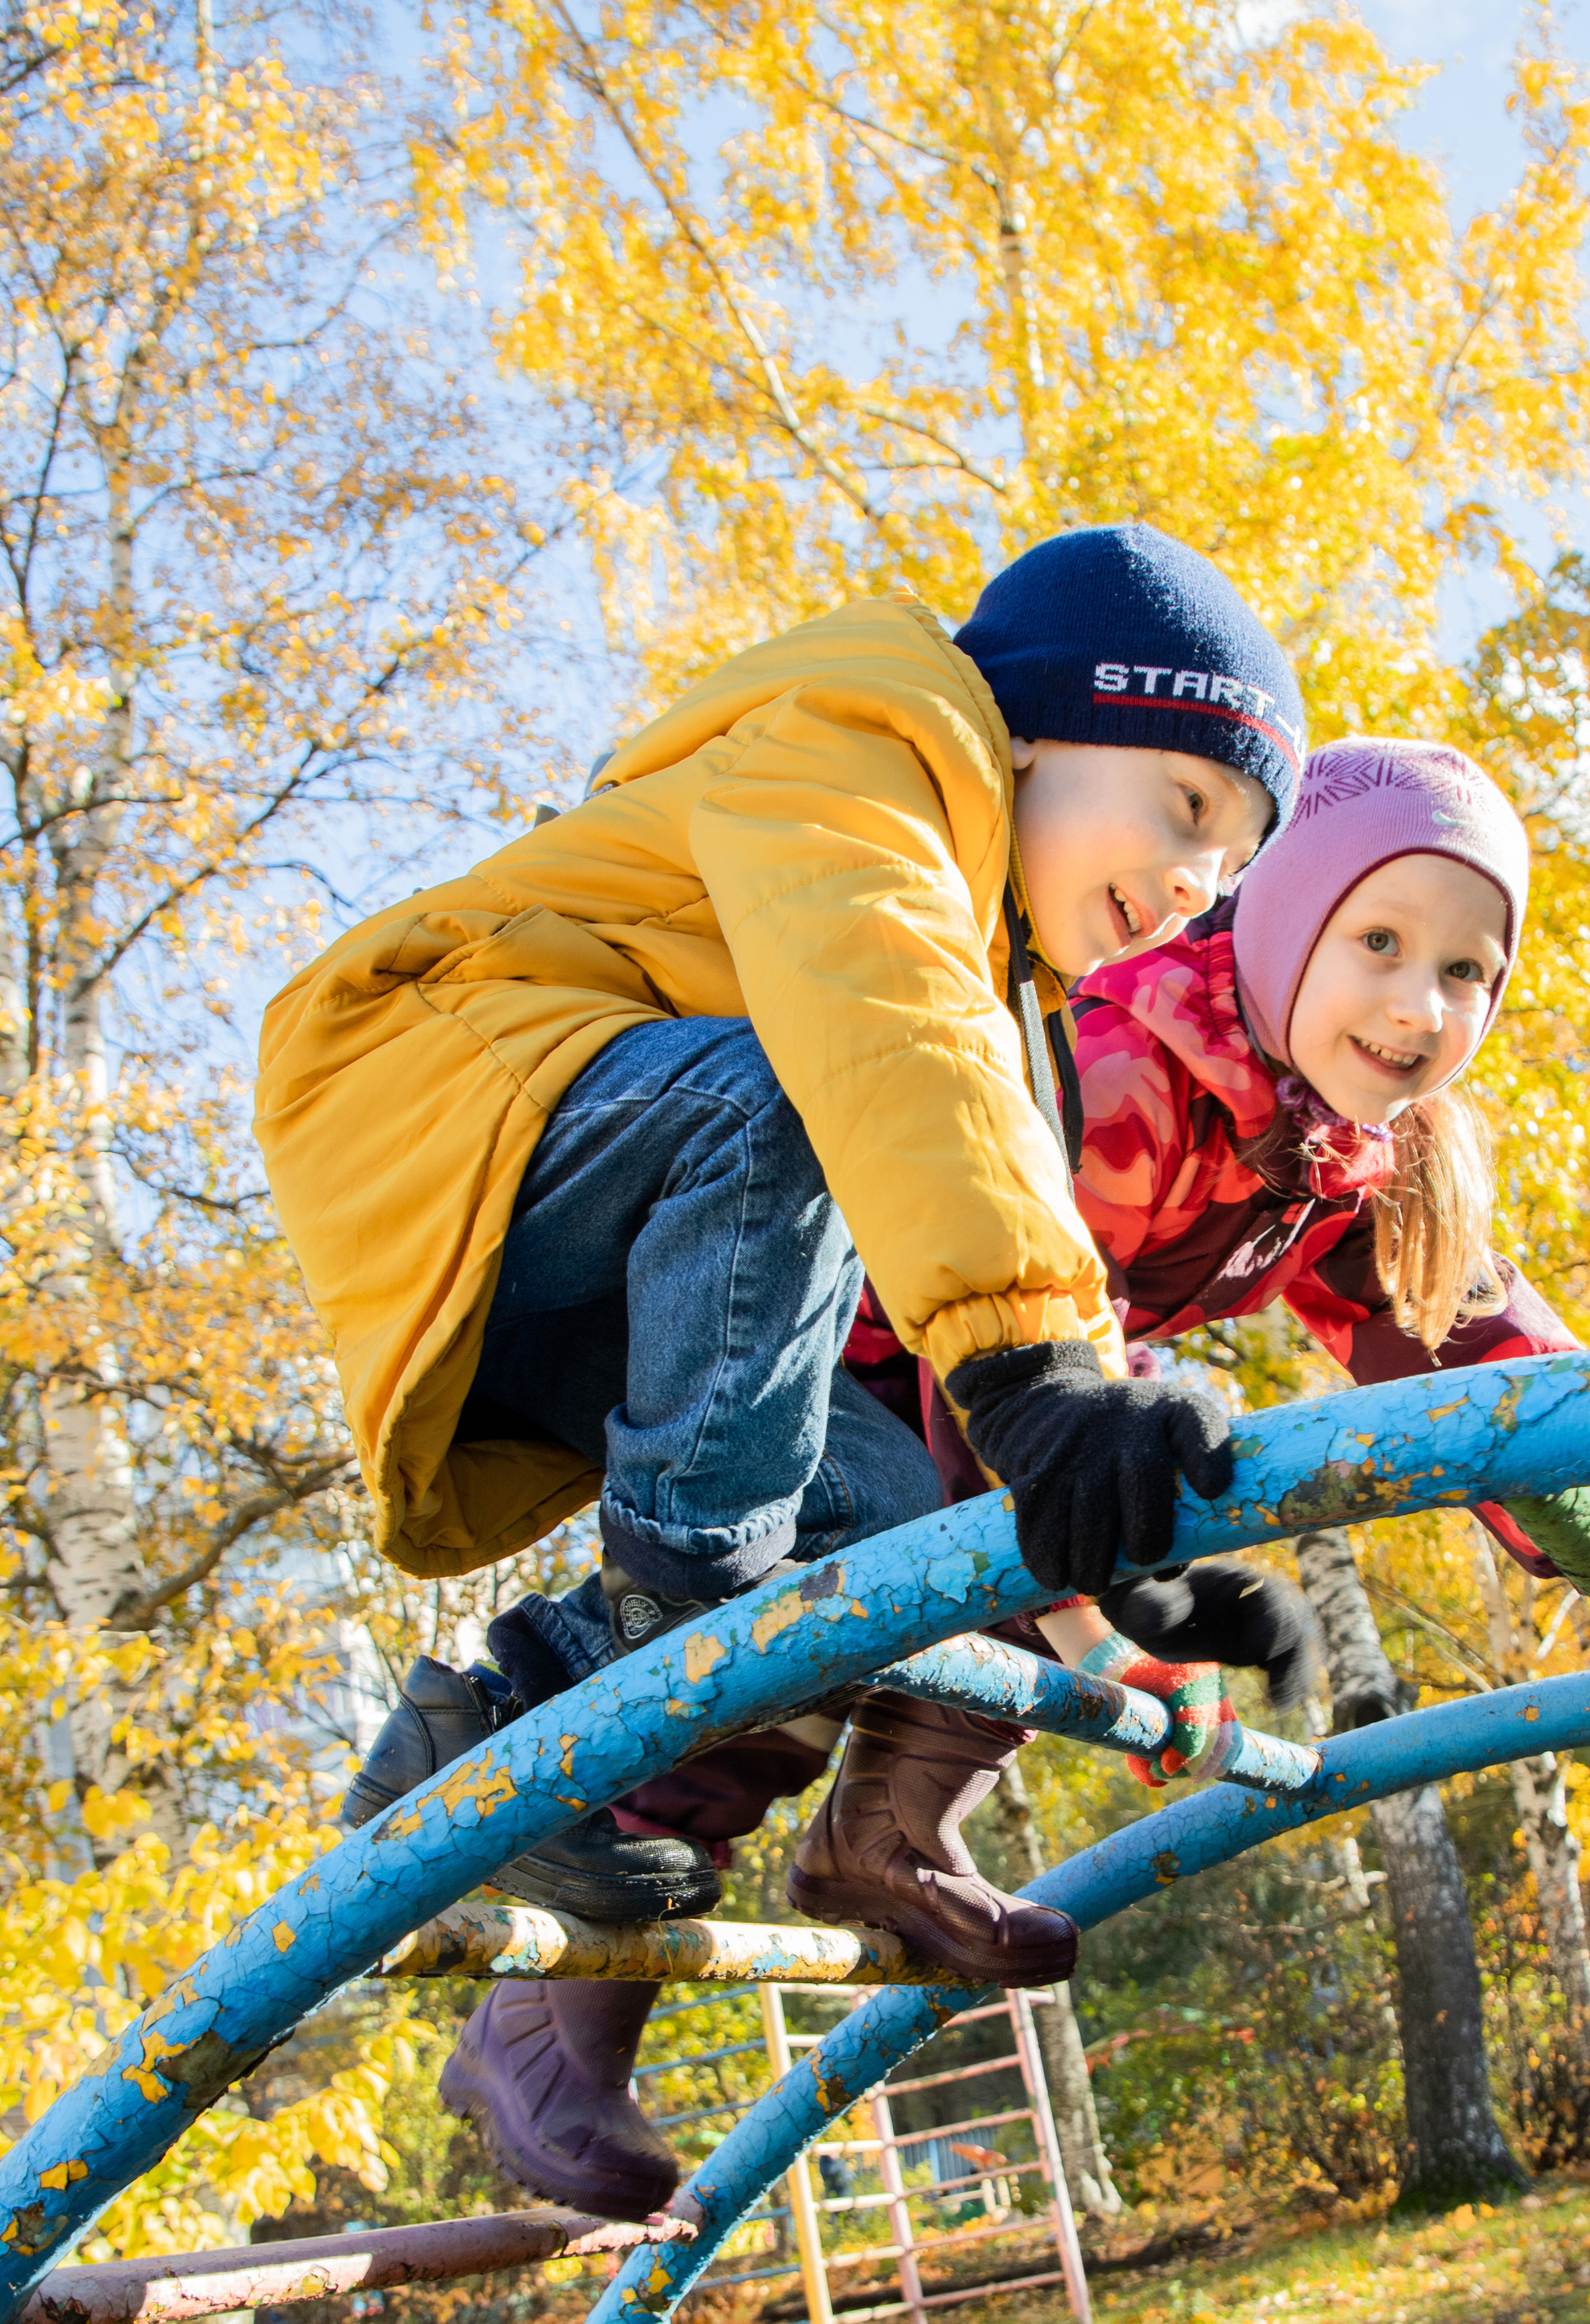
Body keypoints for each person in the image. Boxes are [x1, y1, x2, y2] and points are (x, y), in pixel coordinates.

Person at [256, 523, 1305, 2221]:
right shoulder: (873, 733)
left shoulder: (999, 968)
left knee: (881, 1523)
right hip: (449, 1083)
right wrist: (1038, 1375)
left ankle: (489, 1736)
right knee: (786, 1104)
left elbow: (987, 1195)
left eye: (1231, 858)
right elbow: (880, 1037)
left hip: (614, 1202)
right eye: (1184, 807)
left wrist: (1120, 1545)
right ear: (1036, 726)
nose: (1196, 878)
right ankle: (669, 1651)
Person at [650, 734, 1590, 1865]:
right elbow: (1018, 1326)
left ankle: (883, 1846)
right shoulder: (1138, 1065)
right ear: (1286, 920)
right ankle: (620, 1874)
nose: (1421, 1007)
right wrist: (1099, 1637)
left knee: (1030, 1573)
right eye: (1379, 941)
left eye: (1466, 971)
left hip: (1020, 1398)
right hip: (872, 1353)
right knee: (826, 1635)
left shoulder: (1362, 1148)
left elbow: (1467, 1342)